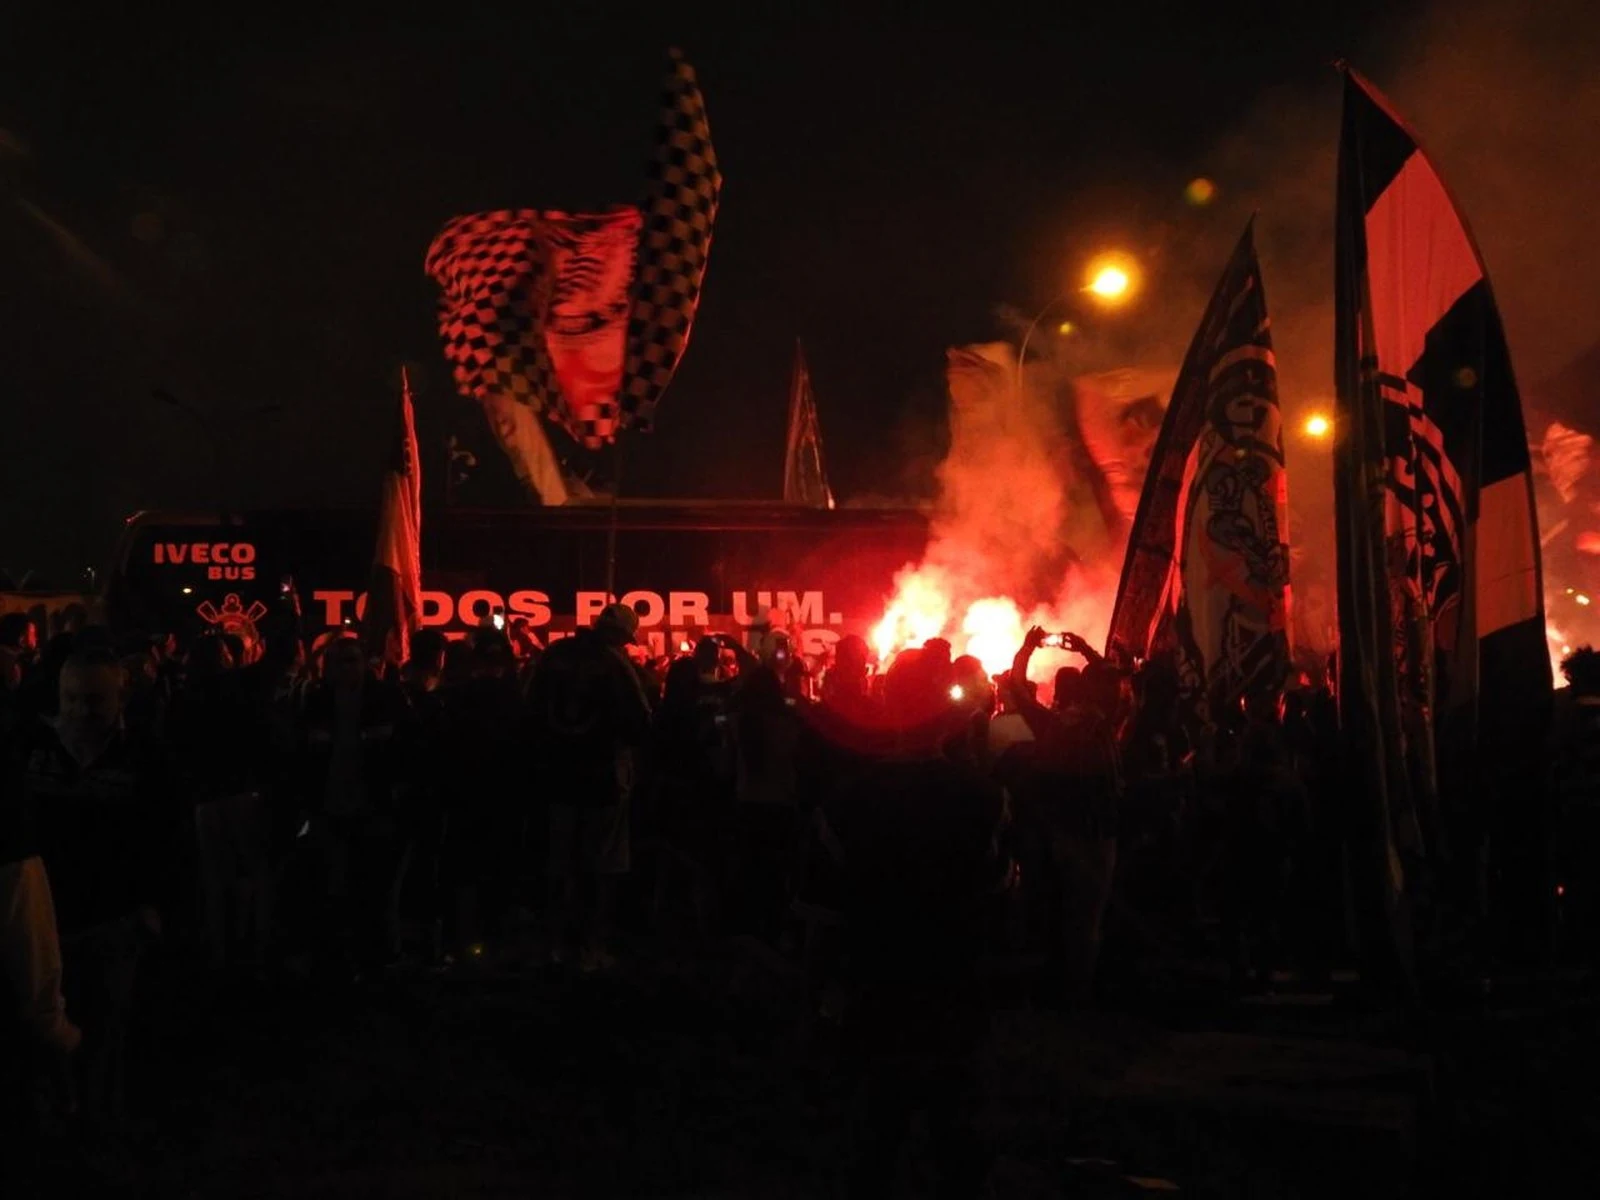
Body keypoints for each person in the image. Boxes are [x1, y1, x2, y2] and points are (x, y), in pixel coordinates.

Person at [25, 650, 180, 1122]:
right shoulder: (33, 750)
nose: (79, 711)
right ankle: (58, 1118)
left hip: (113, 918)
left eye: (93, 700)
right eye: (71, 699)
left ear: (119, 698)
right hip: (44, 917)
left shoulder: (145, 757)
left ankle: (99, 1121)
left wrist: (153, 906)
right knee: (45, 1030)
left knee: (106, 1027)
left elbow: (167, 836)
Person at [529, 603, 652, 970]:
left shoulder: (553, 657)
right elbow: (640, 722)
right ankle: (591, 948)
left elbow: (530, 707)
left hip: (556, 778)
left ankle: (552, 945)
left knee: (559, 864)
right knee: (603, 867)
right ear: (621, 636)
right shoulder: (616, 665)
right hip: (603, 780)